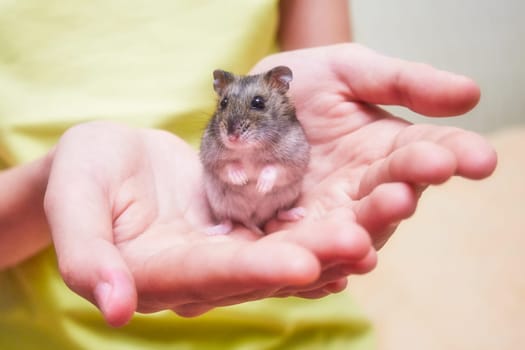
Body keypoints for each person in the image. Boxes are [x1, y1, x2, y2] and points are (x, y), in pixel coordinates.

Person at [0, 0, 496, 349]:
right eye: (226, 112)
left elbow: (312, 129)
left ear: (282, 97)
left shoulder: (290, 127)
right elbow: (221, 158)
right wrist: (53, 188)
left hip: (311, 333)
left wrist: (278, 176)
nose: (234, 127)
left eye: (257, 107)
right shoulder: (220, 139)